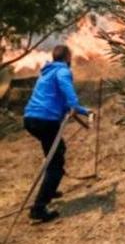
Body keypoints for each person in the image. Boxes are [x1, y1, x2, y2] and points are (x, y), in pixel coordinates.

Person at [22, 44, 91, 222]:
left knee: (56, 151)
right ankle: (38, 209)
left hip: (30, 119)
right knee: (56, 164)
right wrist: (75, 105)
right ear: (67, 57)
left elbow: (59, 101)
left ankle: (49, 189)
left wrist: (83, 111)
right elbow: (67, 94)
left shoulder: (46, 72)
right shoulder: (62, 71)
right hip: (45, 121)